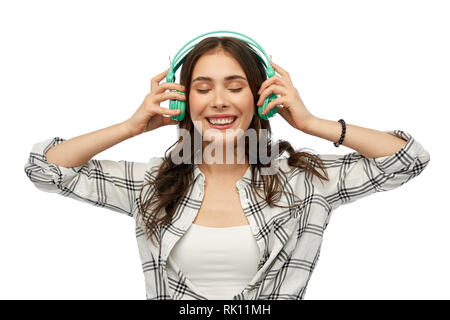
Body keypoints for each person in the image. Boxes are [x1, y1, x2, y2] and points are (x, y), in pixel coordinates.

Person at [24, 36, 430, 300]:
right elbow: (44, 168)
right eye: (202, 89)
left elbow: (407, 159)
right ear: (185, 102)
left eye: (235, 88)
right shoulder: (149, 184)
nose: (219, 100)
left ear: (261, 98)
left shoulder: (306, 182)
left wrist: (310, 123)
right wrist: (130, 127)